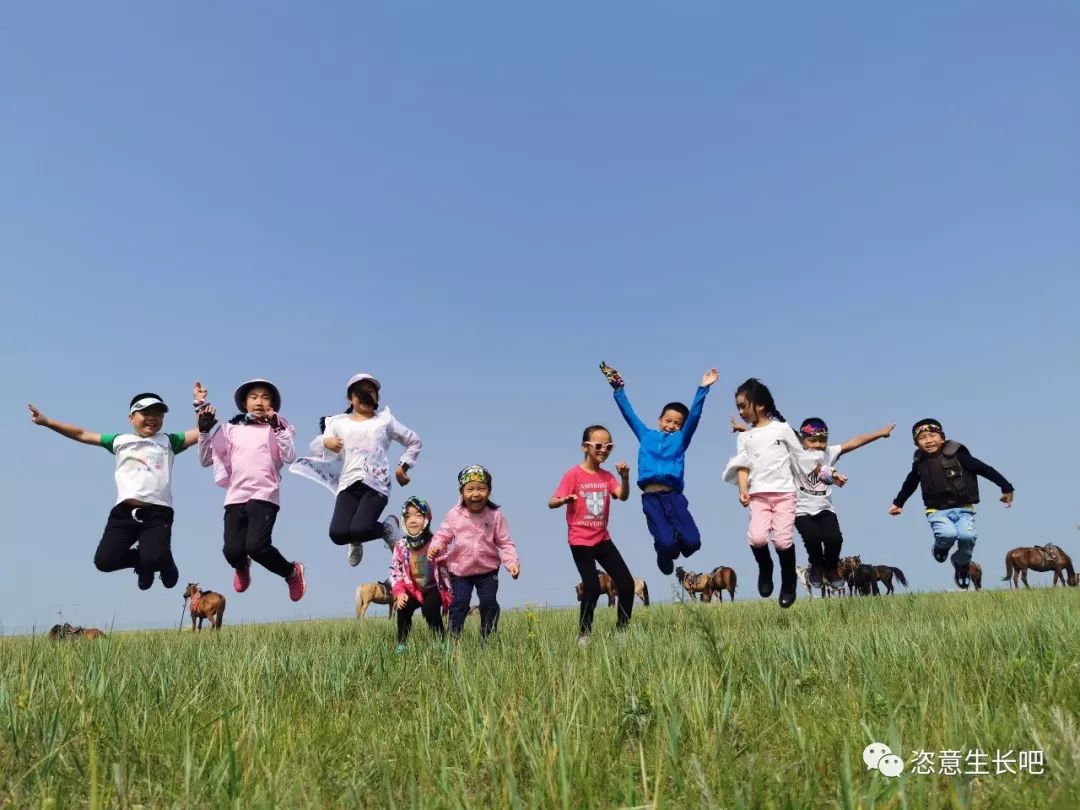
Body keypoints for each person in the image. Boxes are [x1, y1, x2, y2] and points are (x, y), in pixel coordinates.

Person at [27, 390, 199, 590]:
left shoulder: (168, 441)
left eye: (158, 414)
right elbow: (82, 434)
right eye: (146, 413)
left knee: (157, 560)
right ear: (131, 418)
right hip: (124, 512)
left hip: (157, 512)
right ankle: (142, 563)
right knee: (104, 562)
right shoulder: (119, 441)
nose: (152, 418)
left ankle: (160, 561)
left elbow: (199, 431)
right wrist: (47, 422)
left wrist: (200, 406)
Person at [600, 361, 719, 574]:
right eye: (668, 420)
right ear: (659, 420)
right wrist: (619, 390)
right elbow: (629, 414)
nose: (672, 426)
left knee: (693, 544)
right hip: (651, 498)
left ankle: (669, 547)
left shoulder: (681, 439)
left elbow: (694, 417)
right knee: (667, 546)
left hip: (674, 497)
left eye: (677, 423)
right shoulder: (646, 435)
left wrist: (703, 388)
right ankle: (663, 551)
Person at [292, 373, 421, 568]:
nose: (366, 398)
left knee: (360, 528)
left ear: (377, 397)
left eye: (371, 393)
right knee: (338, 534)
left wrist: (403, 466)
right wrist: (327, 441)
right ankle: (357, 539)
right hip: (348, 484)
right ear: (351, 398)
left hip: (376, 484)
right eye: (360, 394)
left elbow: (413, 441)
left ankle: (387, 529)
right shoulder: (337, 422)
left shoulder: (384, 420)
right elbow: (316, 448)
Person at [196, 379, 306, 601]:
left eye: (265, 397)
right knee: (232, 551)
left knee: (257, 547)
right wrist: (204, 431)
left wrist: (277, 427)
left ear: (273, 404)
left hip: (265, 496)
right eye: (254, 397)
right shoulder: (230, 429)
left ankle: (292, 572)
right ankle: (241, 566)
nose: (259, 402)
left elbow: (290, 456)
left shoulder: (277, 427)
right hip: (235, 497)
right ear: (244, 403)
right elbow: (206, 459)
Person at [723, 378, 826, 608]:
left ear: (760, 404)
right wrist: (742, 490)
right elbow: (742, 465)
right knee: (758, 538)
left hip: (784, 494)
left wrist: (827, 473)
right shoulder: (745, 437)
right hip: (758, 495)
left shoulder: (782, 429)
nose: (740, 411)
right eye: (738, 407)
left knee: (781, 541)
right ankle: (765, 567)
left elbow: (802, 456)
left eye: (743, 406)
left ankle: (788, 581)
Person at [890, 418, 1014, 588]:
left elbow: (984, 469)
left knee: (967, 537)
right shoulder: (920, 463)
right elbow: (910, 483)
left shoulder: (958, 455)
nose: (928, 440)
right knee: (947, 534)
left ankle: (960, 563)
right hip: (937, 510)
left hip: (964, 508)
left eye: (932, 435)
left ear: (942, 437)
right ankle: (940, 548)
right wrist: (899, 502)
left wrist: (1006, 487)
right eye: (922, 438)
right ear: (917, 444)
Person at [549, 425, 634, 645]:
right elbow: (551, 502)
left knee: (626, 584)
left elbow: (622, 496)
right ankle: (584, 635)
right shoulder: (573, 475)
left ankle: (622, 632)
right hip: (580, 541)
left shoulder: (606, 477)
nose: (603, 450)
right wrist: (563, 500)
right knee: (593, 588)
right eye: (598, 445)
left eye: (609, 446)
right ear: (585, 447)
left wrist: (624, 478)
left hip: (602, 539)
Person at [427, 465, 520, 640]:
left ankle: (488, 638)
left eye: (481, 489)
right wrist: (436, 545)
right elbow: (442, 535)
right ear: (462, 492)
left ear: (489, 491)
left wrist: (512, 562)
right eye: (470, 489)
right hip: (460, 571)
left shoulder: (495, 516)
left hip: (488, 571)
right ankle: (454, 640)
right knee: (459, 605)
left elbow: (505, 543)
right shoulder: (455, 515)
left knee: (488, 604)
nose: (475, 494)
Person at [389, 496, 450, 652]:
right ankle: (401, 644)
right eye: (408, 516)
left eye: (418, 515)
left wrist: (439, 554)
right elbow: (395, 571)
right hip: (412, 589)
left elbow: (448, 564)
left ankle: (441, 643)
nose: (413, 520)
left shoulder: (436, 542)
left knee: (429, 609)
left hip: (432, 587)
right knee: (403, 607)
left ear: (427, 518)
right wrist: (400, 592)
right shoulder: (400, 546)